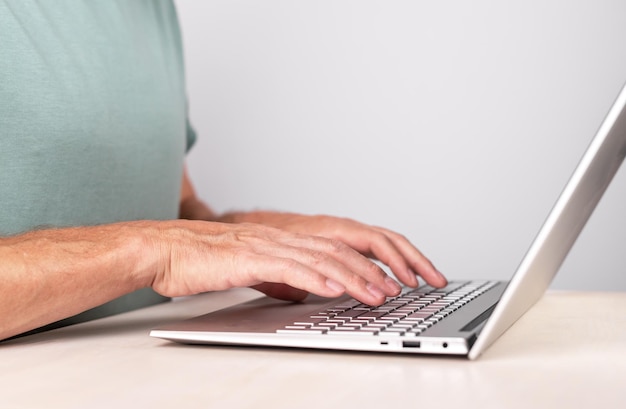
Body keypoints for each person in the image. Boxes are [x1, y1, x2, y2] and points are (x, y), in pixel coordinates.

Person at [0, 0, 446, 341]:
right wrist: (155, 251)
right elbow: (163, 243)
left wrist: (247, 237)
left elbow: (173, 206)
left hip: (132, 366)